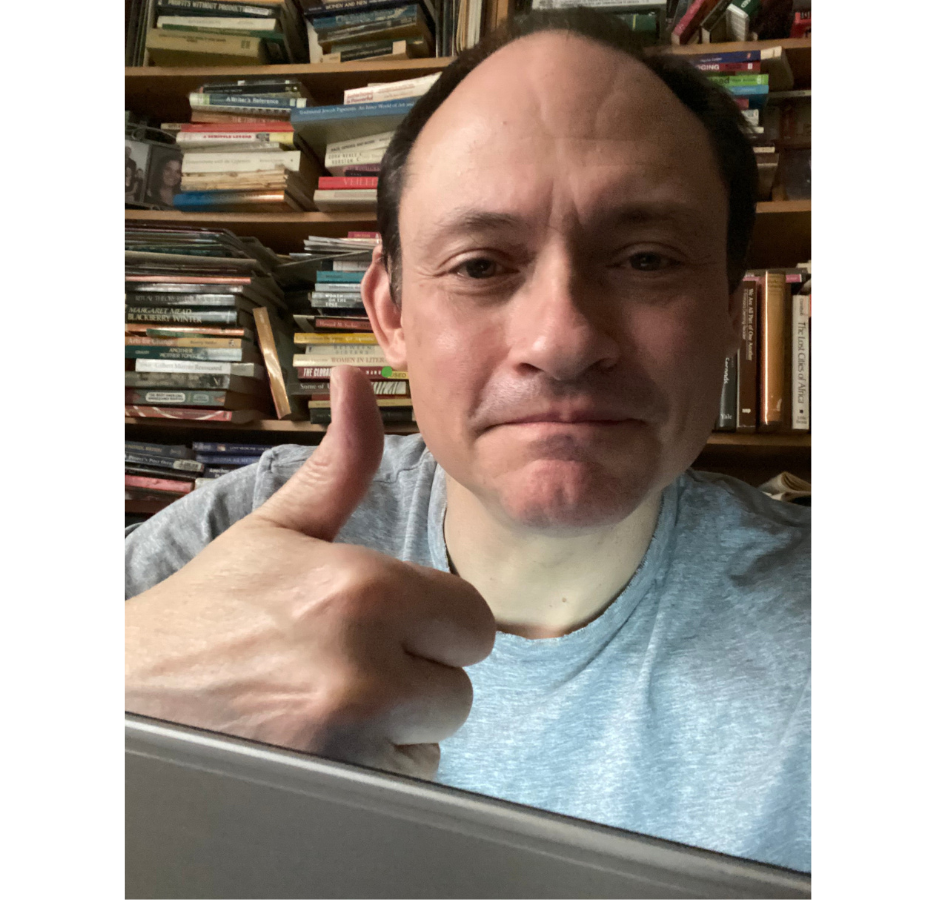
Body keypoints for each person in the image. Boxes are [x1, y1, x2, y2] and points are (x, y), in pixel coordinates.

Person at [124, 9, 811, 874]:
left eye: (646, 259)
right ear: (390, 313)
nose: (561, 340)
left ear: (729, 315)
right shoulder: (239, 534)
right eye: (481, 265)